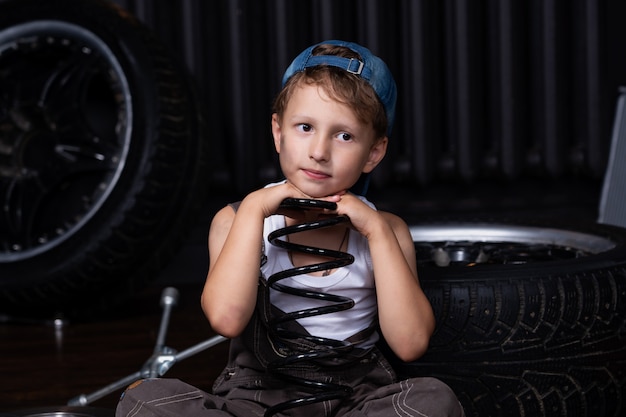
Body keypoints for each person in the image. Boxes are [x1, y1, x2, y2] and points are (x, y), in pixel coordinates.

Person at [115, 40, 465, 417]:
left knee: (433, 399)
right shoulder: (235, 219)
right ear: (278, 132)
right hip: (256, 395)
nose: (319, 150)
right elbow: (226, 319)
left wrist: (376, 233)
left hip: (356, 399)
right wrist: (253, 210)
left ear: (374, 153)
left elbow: (410, 344)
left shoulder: (388, 230)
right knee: (145, 400)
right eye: (305, 127)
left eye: (344, 135)